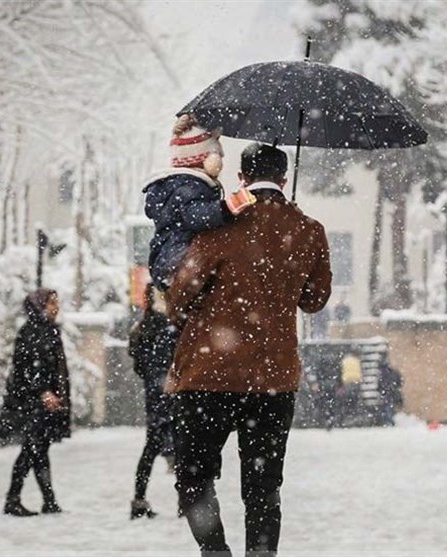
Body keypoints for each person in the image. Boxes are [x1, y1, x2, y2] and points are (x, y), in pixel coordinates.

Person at [165, 142, 332, 556]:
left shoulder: (219, 226)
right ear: (284, 179)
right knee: (263, 486)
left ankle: (214, 549)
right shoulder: (308, 230)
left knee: (194, 477)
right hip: (272, 380)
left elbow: (178, 297)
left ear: (241, 178)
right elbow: (314, 299)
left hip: (208, 378)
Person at [143, 113, 257, 291]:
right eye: (217, 153)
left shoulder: (181, 187)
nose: (222, 156)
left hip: (168, 259)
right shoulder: (190, 189)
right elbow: (196, 215)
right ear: (208, 160)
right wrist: (227, 207)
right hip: (179, 261)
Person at [1, 289, 71, 517]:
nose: (56, 307)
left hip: (45, 401)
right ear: (39, 306)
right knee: (32, 450)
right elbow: (28, 369)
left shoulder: (48, 331)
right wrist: (42, 392)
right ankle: (13, 499)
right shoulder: (32, 332)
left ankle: (48, 500)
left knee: (39, 449)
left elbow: (51, 367)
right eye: (51, 303)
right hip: (33, 403)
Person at [128, 283, 179, 519]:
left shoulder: (144, 327)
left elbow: (140, 365)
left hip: (158, 394)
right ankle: (185, 501)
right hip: (169, 393)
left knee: (154, 446)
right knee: (178, 446)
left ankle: (139, 499)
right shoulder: (167, 327)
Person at [337, 351, 363, 427]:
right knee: (355, 399)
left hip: (347, 381)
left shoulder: (344, 361)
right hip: (356, 381)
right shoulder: (357, 360)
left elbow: (341, 371)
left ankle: (347, 416)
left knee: (347, 399)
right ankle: (354, 414)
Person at [376, 358, 403, 426]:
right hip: (392, 391)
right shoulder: (392, 372)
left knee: (387, 407)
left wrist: (380, 389)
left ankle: (389, 421)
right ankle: (390, 420)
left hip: (386, 392)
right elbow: (399, 380)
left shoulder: (382, 374)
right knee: (390, 406)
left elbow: (380, 384)